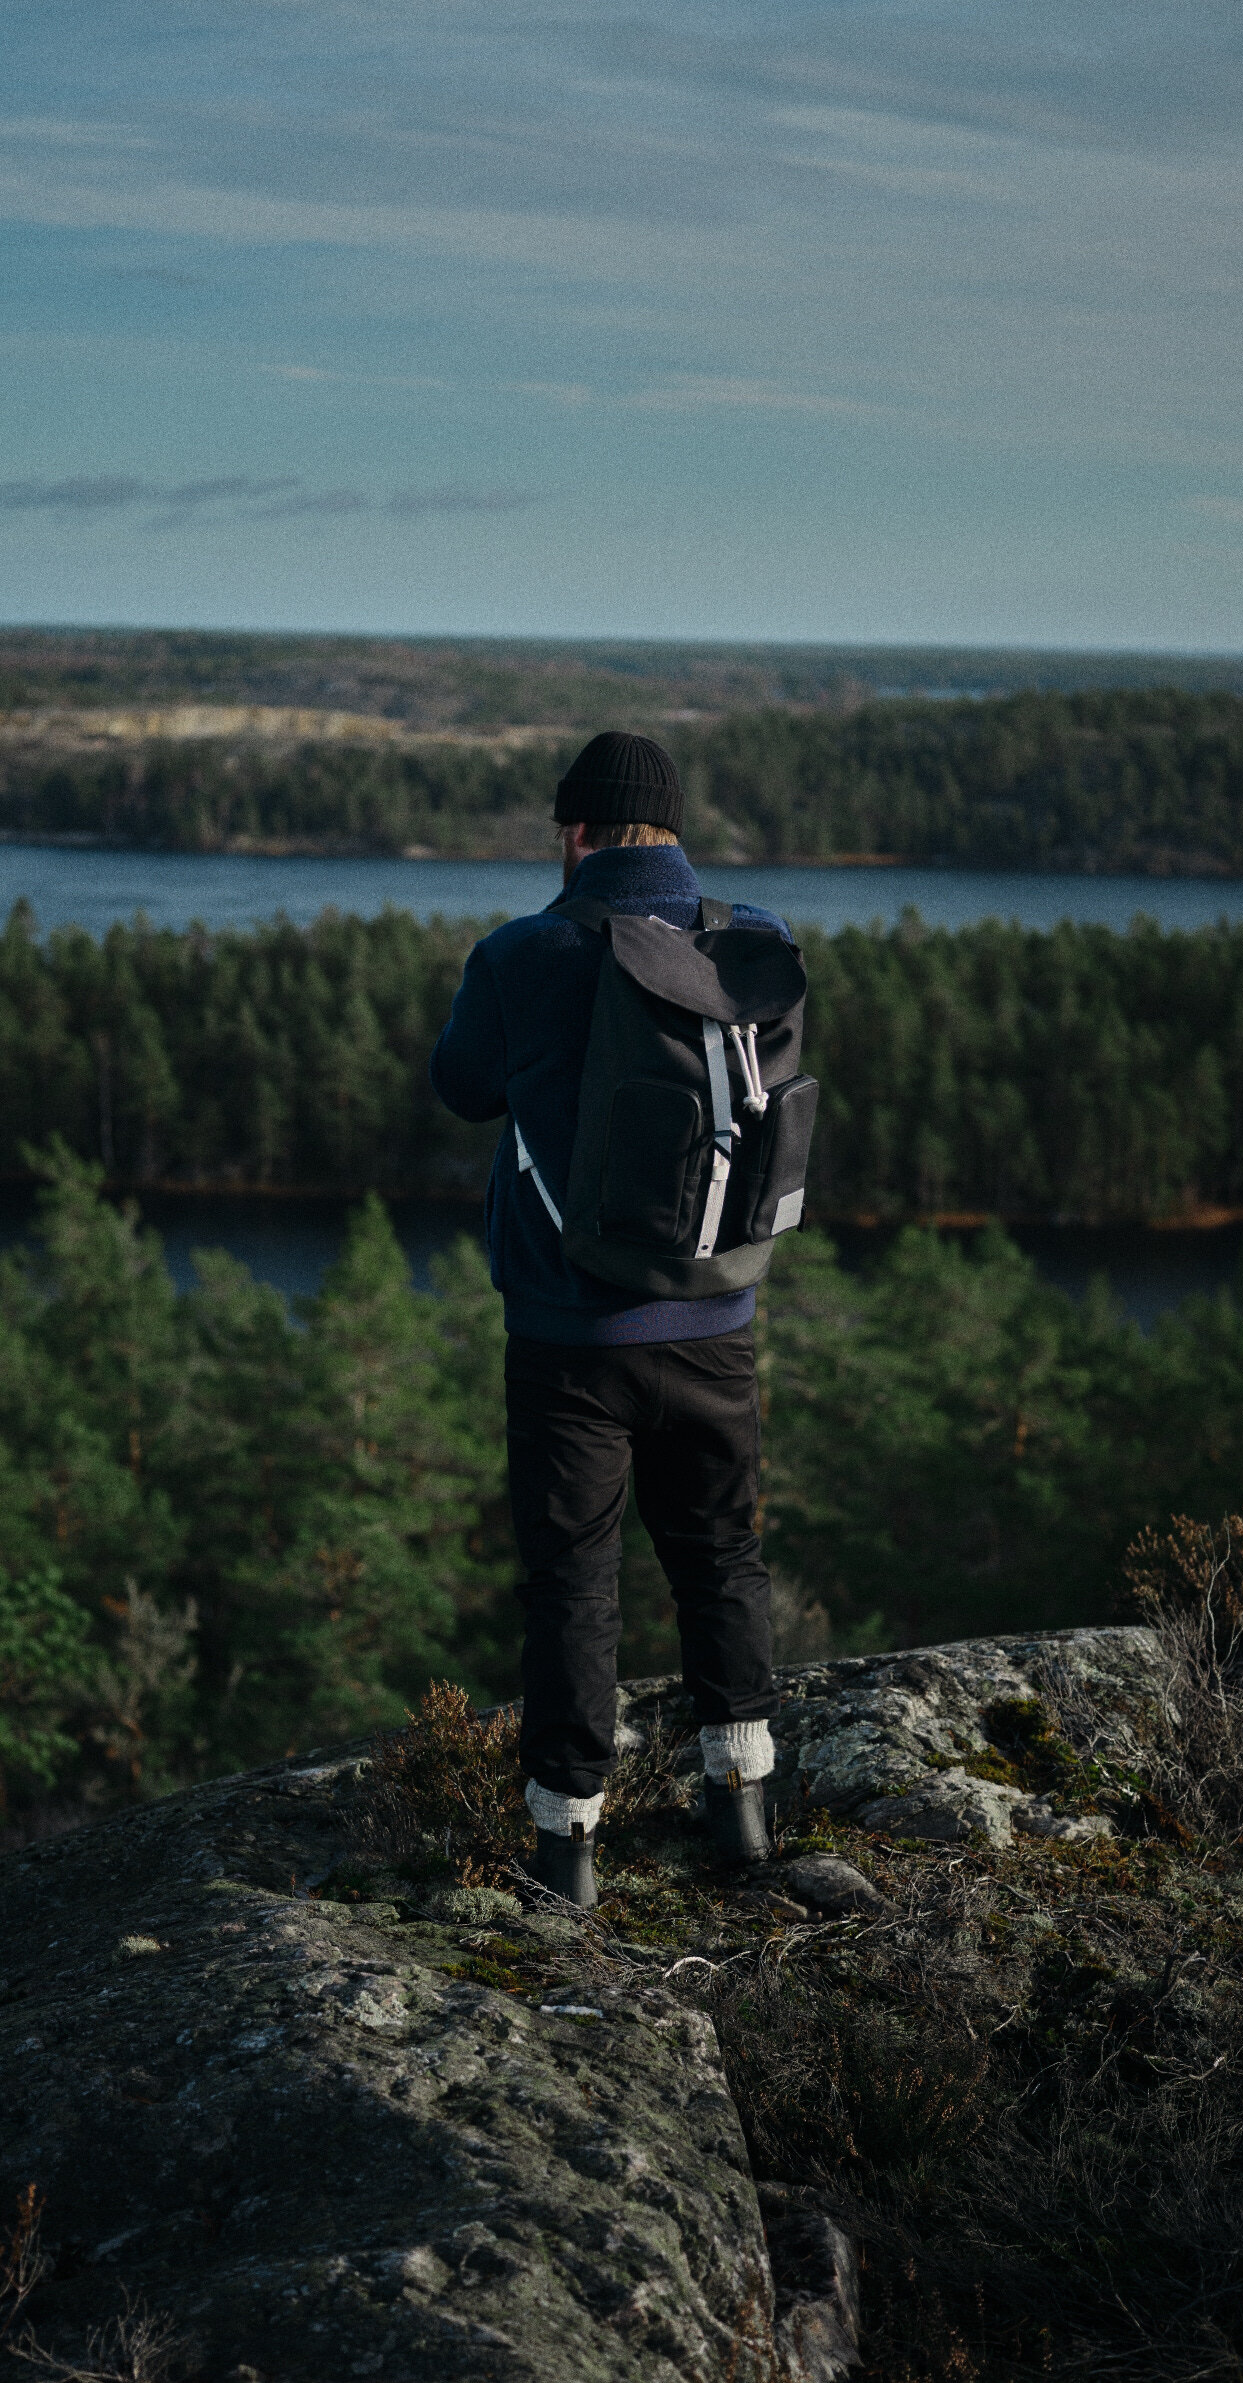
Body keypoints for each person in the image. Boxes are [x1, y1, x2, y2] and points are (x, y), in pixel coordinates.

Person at [429, 731, 787, 1909]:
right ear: (675, 831)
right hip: (717, 1317)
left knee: (575, 1580)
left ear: (576, 832)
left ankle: (568, 1847)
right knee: (719, 1553)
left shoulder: (525, 953)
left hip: (570, 1339)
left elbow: (462, 1084)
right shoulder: (757, 946)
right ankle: (741, 1807)